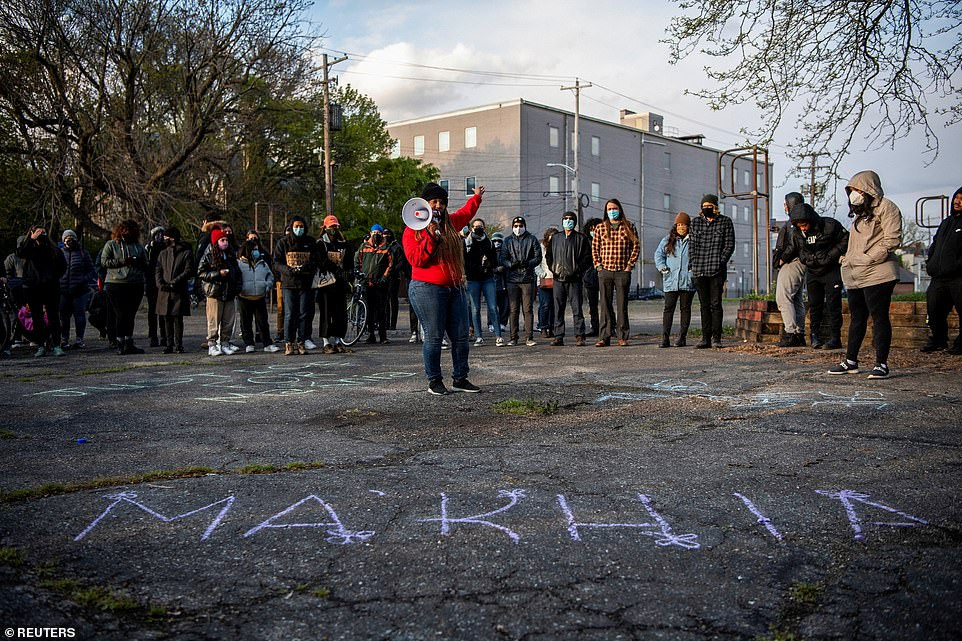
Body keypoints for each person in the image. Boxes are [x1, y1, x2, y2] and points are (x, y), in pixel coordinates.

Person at [403, 181, 483, 395]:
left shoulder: (450, 224)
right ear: (425, 204)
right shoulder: (413, 229)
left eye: (442, 202)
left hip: (454, 287)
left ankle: (460, 378)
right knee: (434, 336)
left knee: (461, 336)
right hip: (426, 288)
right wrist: (431, 237)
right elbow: (416, 260)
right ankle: (434, 381)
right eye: (434, 202)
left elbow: (466, 213)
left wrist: (476, 198)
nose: (438, 206)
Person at [829, 170, 903, 379]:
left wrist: (868, 258)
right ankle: (850, 361)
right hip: (856, 274)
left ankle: (881, 364)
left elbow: (892, 240)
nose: (854, 194)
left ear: (869, 189)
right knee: (857, 318)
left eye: (857, 190)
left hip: (879, 273)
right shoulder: (861, 214)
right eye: (851, 190)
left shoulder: (887, 207)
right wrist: (847, 260)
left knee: (879, 317)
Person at [789, 202, 848, 350]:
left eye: (804, 225)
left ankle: (835, 338)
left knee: (834, 305)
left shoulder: (830, 225)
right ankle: (815, 336)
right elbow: (799, 249)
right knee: (815, 305)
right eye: (799, 226)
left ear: (811, 220)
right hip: (813, 272)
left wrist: (830, 256)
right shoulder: (797, 232)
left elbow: (845, 239)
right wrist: (807, 259)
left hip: (831, 271)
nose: (803, 228)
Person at [592, 198, 640, 347]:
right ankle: (604, 337)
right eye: (609, 209)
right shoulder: (600, 227)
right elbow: (595, 248)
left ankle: (622, 336)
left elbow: (636, 246)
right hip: (605, 271)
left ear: (620, 209)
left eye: (614, 208)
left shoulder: (629, 226)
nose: (612, 211)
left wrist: (629, 265)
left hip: (622, 271)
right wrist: (598, 266)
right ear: (606, 211)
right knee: (605, 305)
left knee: (622, 305)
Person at [689, 194, 735, 348]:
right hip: (699, 269)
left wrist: (721, 261)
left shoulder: (725, 222)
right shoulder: (695, 223)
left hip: (716, 270)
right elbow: (692, 245)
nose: (707, 208)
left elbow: (729, 245)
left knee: (716, 304)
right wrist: (693, 263)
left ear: (715, 207)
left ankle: (717, 338)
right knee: (704, 305)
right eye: (704, 206)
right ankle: (705, 338)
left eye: (710, 206)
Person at [920, 186, 962, 354]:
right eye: (956, 198)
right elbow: (935, 244)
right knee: (934, 308)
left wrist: (957, 265)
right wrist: (930, 262)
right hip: (938, 276)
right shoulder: (946, 222)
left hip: (958, 276)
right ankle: (938, 339)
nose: (958, 202)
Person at [100, 219, 148, 355]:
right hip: (116, 283)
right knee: (120, 314)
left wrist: (138, 263)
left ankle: (129, 342)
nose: (127, 233)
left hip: (135, 283)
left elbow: (146, 264)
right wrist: (122, 261)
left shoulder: (138, 246)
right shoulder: (111, 245)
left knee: (130, 314)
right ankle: (119, 342)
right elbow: (104, 262)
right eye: (125, 230)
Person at [17, 226, 67, 357]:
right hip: (33, 287)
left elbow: (62, 266)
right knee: (37, 317)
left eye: (43, 232)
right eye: (39, 232)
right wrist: (32, 239)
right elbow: (20, 253)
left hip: (50, 287)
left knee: (53, 316)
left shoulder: (53, 249)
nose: (41, 234)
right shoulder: (30, 249)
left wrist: (53, 277)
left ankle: (56, 345)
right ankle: (41, 345)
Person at [273, 215, 317, 355]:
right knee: (290, 314)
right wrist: (289, 270)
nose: (299, 229)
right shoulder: (283, 243)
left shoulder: (310, 242)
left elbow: (315, 260)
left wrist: (305, 268)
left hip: (306, 283)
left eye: (301, 226)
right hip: (289, 283)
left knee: (304, 313)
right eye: (296, 226)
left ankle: (302, 341)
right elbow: (276, 262)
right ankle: (289, 342)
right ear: (291, 227)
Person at [547, 212, 592, 346]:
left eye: (571, 219)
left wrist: (577, 270)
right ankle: (558, 336)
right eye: (565, 219)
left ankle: (580, 335)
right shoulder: (556, 238)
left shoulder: (581, 238)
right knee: (558, 309)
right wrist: (553, 269)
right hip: (558, 279)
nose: (568, 221)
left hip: (574, 280)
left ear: (575, 222)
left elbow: (587, 258)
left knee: (577, 308)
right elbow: (549, 256)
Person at [199, 228, 242, 356]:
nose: (225, 242)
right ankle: (212, 344)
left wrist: (237, 287)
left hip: (229, 292)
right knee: (214, 320)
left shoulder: (230, 255)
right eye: (222, 240)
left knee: (228, 321)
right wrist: (218, 274)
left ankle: (225, 343)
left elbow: (237, 272)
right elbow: (201, 272)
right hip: (215, 292)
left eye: (226, 240)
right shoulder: (209, 254)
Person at [654, 212, 695, 347]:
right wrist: (662, 267)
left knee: (685, 309)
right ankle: (665, 338)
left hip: (687, 281)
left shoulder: (693, 240)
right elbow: (658, 254)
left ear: (688, 226)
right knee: (668, 309)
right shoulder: (667, 240)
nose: (681, 227)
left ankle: (682, 337)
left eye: (684, 225)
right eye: (679, 225)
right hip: (671, 279)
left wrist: (692, 271)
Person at [500, 215, 542, 347]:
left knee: (528, 309)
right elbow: (503, 258)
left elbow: (538, 257)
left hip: (527, 278)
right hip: (512, 279)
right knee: (513, 309)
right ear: (512, 227)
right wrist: (510, 264)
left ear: (524, 226)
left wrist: (528, 263)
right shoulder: (507, 241)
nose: (518, 228)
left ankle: (529, 337)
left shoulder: (532, 239)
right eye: (516, 226)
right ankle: (513, 337)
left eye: (520, 226)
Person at [773, 192, 808, 347]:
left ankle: (791, 333)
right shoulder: (801, 221)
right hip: (800, 262)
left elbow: (793, 244)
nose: (784, 207)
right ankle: (798, 333)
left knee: (783, 297)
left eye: (786, 203)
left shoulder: (793, 223)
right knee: (796, 299)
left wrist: (782, 259)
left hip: (792, 262)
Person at [464, 218, 504, 346]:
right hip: (473, 279)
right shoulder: (467, 243)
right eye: (475, 226)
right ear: (471, 228)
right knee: (475, 309)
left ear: (484, 228)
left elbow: (494, 261)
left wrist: (489, 265)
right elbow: (465, 262)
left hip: (488, 279)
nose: (478, 228)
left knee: (492, 307)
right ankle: (479, 336)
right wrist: (478, 268)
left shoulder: (489, 243)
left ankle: (498, 335)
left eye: (480, 226)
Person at [155, 226, 194, 354]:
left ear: (172, 238)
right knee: (166, 318)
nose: (164, 240)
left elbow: (188, 271)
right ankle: (169, 344)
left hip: (178, 291)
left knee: (177, 318)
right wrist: (160, 284)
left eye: (166, 237)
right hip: (164, 291)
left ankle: (178, 344)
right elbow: (158, 270)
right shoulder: (163, 253)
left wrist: (174, 283)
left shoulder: (185, 252)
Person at [237, 238, 279, 353]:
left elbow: (270, 276)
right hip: (244, 297)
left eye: (257, 249)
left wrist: (267, 285)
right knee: (246, 322)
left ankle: (267, 343)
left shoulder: (262, 263)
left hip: (260, 296)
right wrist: (239, 289)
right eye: (254, 249)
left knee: (263, 322)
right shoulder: (239, 264)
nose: (256, 252)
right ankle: (249, 343)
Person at [317, 215, 352, 353]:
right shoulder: (321, 244)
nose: (334, 229)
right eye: (331, 226)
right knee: (326, 312)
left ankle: (338, 340)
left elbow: (348, 260)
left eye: (336, 226)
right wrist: (335, 269)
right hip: (326, 283)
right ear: (325, 228)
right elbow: (321, 261)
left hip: (340, 283)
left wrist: (348, 273)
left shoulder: (343, 243)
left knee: (340, 313)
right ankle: (326, 342)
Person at [356, 224, 394, 344]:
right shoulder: (363, 247)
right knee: (369, 310)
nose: (376, 234)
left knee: (382, 310)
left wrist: (384, 278)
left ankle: (383, 336)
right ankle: (371, 335)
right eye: (374, 232)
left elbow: (391, 265)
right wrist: (360, 275)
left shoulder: (387, 248)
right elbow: (357, 261)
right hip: (367, 283)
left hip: (381, 284)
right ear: (370, 233)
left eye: (378, 232)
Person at [58, 230, 95, 349]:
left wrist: (83, 279)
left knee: (80, 316)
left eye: (71, 237)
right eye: (67, 238)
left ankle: (79, 339)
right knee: (64, 317)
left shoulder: (83, 253)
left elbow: (91, 270)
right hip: (63, 290)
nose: (69, 240)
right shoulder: (59, 253)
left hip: (80, 291)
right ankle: (64, 339)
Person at [144, 225, 167, 347]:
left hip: (161, 281)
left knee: (162, 310)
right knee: (153, 310)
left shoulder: (165, 247)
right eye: (157, 234)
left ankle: (163, 336)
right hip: (152, 282)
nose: (160, 236)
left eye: (161, 234)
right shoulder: (149, 248)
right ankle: (154, 336)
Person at [582, 218, 603, 337]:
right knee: (592, 305)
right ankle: (595, 327)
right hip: (590, 276)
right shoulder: (585, 242)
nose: (594, 231)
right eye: (591, 229)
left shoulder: (605, 242)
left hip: (603, 274)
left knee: (606, 303)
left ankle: (610, 326)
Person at [535, 228, 557, 338]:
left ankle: (552, 327)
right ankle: (543, 327)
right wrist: (542, 274)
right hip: (544, 280)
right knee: (545, 304)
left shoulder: (559, 247)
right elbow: (537, 264)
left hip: (556, 280)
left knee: (554, 305)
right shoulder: (541, 247)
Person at [383, 228, 403, 331]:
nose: (385, 236)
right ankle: (386, 322)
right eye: (384, 234)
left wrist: (392, 270)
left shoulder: (397, 247)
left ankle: (393, 323)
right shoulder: (383, 247)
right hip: (385, 276)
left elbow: (401, 262)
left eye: (387, 234)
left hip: (394, 277)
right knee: (385, 300)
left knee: (393, 300)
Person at [490, 232, 509, 333]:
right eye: (494, 241)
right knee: (492, 305)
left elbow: (509, 264)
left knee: (504, 305)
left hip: (504, 283)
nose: (497, 243)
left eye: (499, 241)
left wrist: (504, 267)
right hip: (492, 282)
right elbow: (485, 266)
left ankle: (502, 323)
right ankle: (491, 323)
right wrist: (495, 270)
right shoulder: (488, 251)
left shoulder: (506, 252)